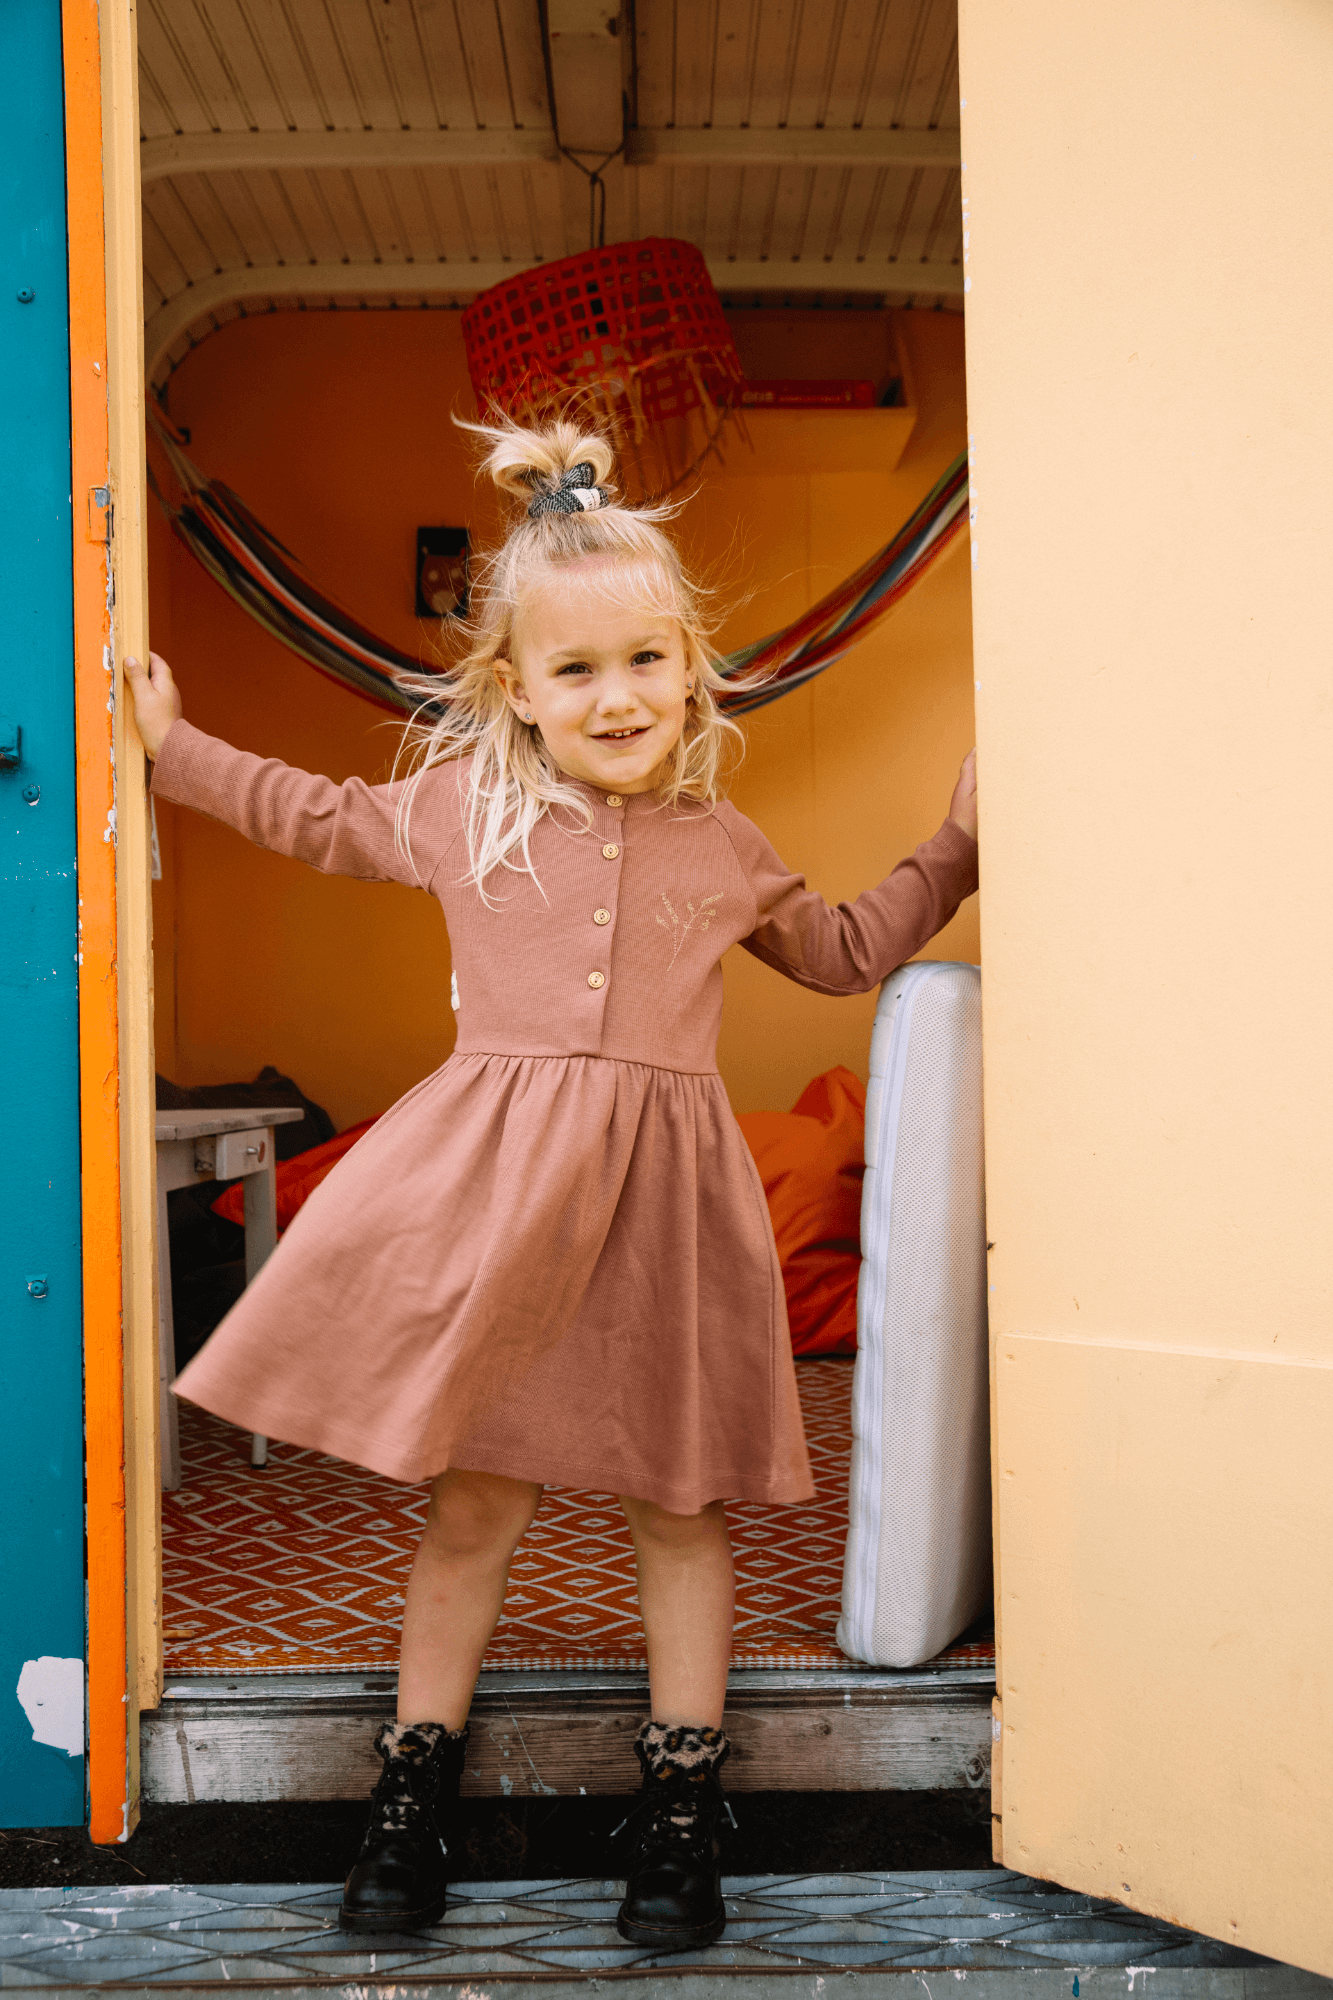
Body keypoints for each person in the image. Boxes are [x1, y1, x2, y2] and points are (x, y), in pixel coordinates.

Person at [125, 417, 979, 1950]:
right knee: (476, 1505)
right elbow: (312, 814)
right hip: (505, 1211)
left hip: (666, 1225)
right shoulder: (467, 810)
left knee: (680, 1509)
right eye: (574, 670)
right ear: (514, 686)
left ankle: (681, 1807)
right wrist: (174, 750)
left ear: (693, 668)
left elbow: (847, 950)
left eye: (644, 660)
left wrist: (961, 844)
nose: (615, 695)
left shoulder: (724, 844)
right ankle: (411, 1790)